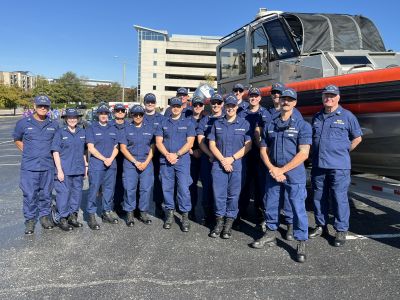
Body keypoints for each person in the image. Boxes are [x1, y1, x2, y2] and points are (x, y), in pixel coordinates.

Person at [250, 88, 312, 263]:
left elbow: (304, 153)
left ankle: (301, 241)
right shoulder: (271, 124)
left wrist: (282, 170)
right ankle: (270, 233)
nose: (286, 102)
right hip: (273, 171)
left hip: (294, 172)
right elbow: (263, 149)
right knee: (271, 203)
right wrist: (272, 168)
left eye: (289, 100)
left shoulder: (302, 125)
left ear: (294, 103)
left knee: (297, 206)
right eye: (284, 99)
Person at [309, 84, 362, 247]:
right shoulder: (317, 117)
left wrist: (344, 151)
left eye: (332, 95)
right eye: (326, 95)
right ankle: (321, 225)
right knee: (318, 197)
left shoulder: (347, 116)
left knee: (339, 198)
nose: (329, 98)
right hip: (319, 165)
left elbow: (357, 138)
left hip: (339, 166)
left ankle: (340, 229)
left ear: (338, 98)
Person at [13, 95, 59, 234]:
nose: (43, 108)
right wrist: (27, 151)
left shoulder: (54, 124)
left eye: (46, 106)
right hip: (30, 166)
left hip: (47, 166)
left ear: (49, 108)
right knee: (29, 194)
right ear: (34, 106)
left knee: (46, 193)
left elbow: (57, 145)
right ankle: (30, 220)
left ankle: (44, 217)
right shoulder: (23, 123)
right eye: (40, 106)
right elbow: (17, 139)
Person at [208, 95, 252, 239]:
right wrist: (222, 160)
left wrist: (231, 159)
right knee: (218, 195)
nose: (230, 108)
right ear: (224, 106)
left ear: (237, 107)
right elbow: (212, 144)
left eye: (233, 106)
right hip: (219, 164)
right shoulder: (217, 123)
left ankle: (228, 224)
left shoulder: (244, 124)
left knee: (233, 195)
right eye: (228, 105)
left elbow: (248, 145)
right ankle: (219, 223)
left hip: (236, 164)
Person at [155, 97, 196, 232]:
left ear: (182, 107)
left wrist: (176, 154)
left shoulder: (188, 123)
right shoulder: (163, 122)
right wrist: (168, 155)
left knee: (183, 189)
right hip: (166, 160)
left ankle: (185, 217)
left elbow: (190, 142)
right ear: (170, 107)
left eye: (178, 106)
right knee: (167, 188)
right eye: (173, 105)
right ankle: (169, 215)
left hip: (182, 160)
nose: (176, 108)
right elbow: (158, 142)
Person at [238, 87, 271, 226]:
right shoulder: (241, 113)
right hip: (244, 153)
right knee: (243, 183)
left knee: (260, 184)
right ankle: (241, 210)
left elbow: (268, 133)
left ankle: (260, 212)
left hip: (259, 153)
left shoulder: (265, 113)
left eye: (256, 96)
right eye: (251, 96)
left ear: (259, 98)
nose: (253, 98)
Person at [51, 108, 87, 231]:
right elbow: (55, 152)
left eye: (74, 117)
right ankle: (62, 218)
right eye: (70, 118)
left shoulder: (82, 132)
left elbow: (83, 151)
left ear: (78, 119)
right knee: (63, 194)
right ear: (66, 119)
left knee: (76, 194)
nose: (72, 119)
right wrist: (59, 170)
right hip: (65, 169)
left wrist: (85, 165)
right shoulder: (60, 132)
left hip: (78, 169)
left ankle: (73, 216)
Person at [85, 103, 120, 230]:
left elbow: (117, 147)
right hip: (97, 164)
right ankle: (91, 215)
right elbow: (91, 148)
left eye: (106, 113)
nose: (104, 115)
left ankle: (106, 212)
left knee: (109, 190)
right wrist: (104, 159)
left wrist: (110, 159)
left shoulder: (113, 128)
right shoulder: (91, 128)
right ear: (98, 115)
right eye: (101, 113)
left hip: (111, 164)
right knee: (94, 190)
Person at [120, 105, 155, 227]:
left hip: (146, 162)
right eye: (135, 114)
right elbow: (123, 149)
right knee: (130, 188)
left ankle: (143, 212)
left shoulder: (150, 128)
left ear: (143, 115)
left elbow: (153, 147)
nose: (138, 117)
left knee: (145, 188)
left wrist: (146, 162)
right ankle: (130, 213)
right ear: (132, 115)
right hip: (130, 163)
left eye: (140, 114)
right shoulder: (126, 128)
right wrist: (135, 162)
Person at [197, 93, 224, 225]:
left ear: (222, 104)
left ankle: (221, 217)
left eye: (218, 103)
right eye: (213, 102)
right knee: (207, 187)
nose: (216, 105)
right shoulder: (204, 120)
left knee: (222, 189)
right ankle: (208, 216)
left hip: (223, 160)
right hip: (208, 160)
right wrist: (210, 155)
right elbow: (201, 142)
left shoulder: (227, 118)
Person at [143, 93, 165, 218]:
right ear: (144, 103)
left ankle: (158, 206)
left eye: (152, 102)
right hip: (143, 154)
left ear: (155, 103)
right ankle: (138, 207)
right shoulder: (140, 116)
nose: (150, 104)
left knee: (158, 181)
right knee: (141, 182)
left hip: (157, 155)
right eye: (147, 102)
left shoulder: (161, 118)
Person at [188, 97, 207, 220]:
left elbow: (210, 139)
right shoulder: (186, 120)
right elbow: (181, 140)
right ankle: (191, 210)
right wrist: (191, 151)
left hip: (205, 156)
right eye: (195, 104)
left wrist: (200, 150)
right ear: (192, 105)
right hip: (190, 156)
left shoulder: (207, 120)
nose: (198, 107)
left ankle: (207, 212)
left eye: (200, 105)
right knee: (191, 185)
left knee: (206, 185)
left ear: (203, 106)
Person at [111, 103, 128, 215]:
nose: (120, 112)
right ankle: (115, 204)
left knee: (124, 181)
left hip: (125, 156)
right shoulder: (109, 125)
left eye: (122, 111)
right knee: (113, 181)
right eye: (118, 111)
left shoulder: (130, 125)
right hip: (112, 157)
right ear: (114, 112)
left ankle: (121, 202)